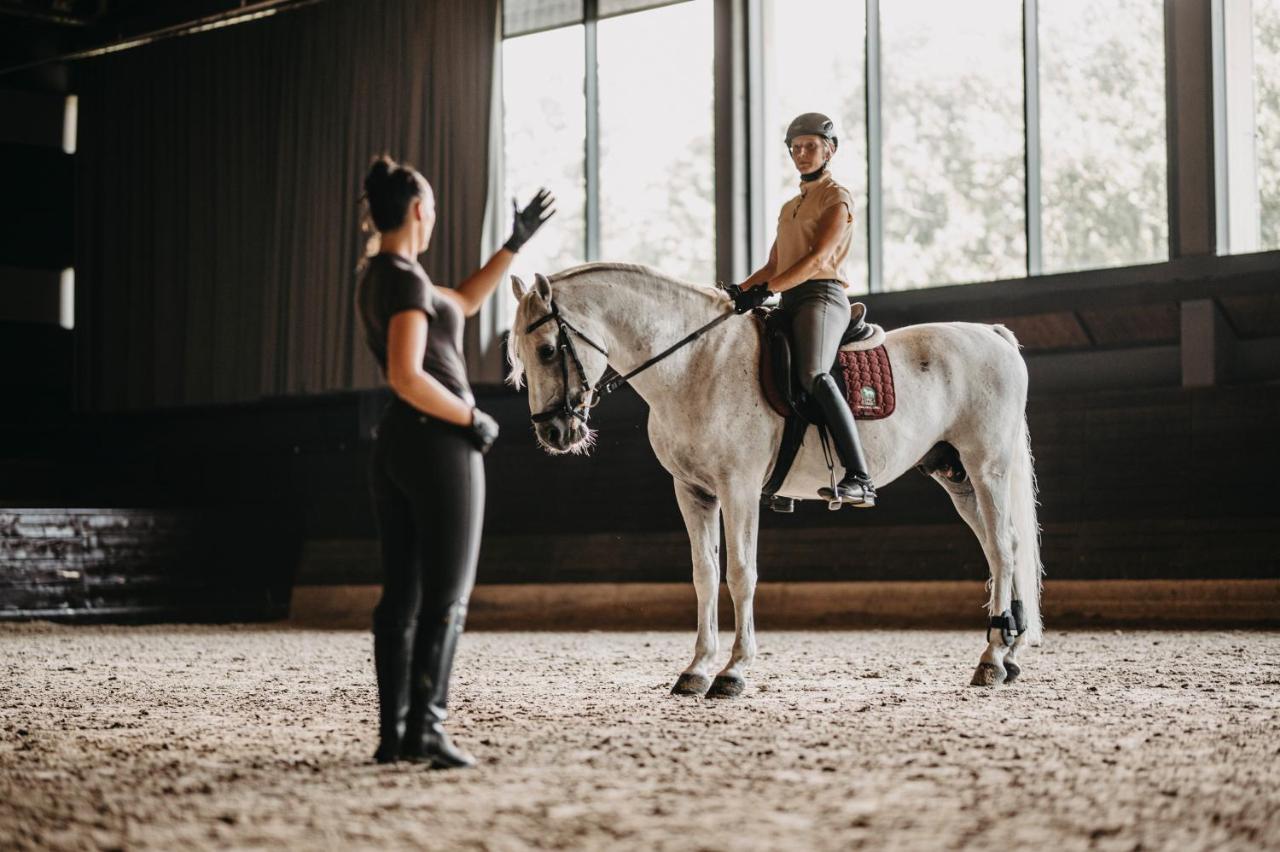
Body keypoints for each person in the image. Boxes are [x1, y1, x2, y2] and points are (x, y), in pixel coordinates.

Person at [356, 154, 553, 767]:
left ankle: (397, 735)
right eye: (434, 206)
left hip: (396, 443)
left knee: (402, 593)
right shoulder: (406, 281)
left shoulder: (384, 274)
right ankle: (429, 731)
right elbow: (407, 374)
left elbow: (463, 301)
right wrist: (471, 418)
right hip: (437, 442)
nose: (435, 215)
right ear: (419, 210)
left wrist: (512, 245)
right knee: (446, 595)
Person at [727, 112, 876, 507]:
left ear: (830, 150)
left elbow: (815, 260)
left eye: (810, 146)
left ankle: (860, 476)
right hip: (789, 298)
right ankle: (784, 473)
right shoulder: (789, 206)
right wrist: (731, 295)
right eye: (796, 148)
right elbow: (773, 266)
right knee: (765, 373)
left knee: (813, 373)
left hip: (822, 296)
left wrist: (762, 292)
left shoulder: (836, 196)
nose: (802, 153)